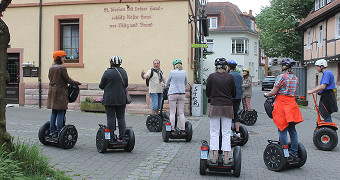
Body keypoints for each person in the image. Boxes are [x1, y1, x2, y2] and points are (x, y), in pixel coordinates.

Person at [264, 58, 304, 163]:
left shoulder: (281, 77)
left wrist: (267, 94)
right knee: (292, 130)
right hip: (292, 105)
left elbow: (274, 91)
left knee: (282, 129)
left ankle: (284, 151)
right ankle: (294, 152)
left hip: (282, 105)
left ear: (283, 67)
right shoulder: (295, 78)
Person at [206, 58, 236, 165]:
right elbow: (234, 93)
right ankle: (226, 157)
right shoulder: (230, 77)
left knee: (214, 132)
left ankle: (214, 156)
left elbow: (208, 92)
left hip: (215, 106)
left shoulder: (211, 77)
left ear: (216, 67)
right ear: (225, 67)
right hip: (227, 107)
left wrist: (212, 96)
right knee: (226, 133)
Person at [47, 50, 81, 138]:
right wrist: (76, 83)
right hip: (60, 93)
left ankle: (52, 131)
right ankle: (59, 132)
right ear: (59, 58)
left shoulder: (51, 68)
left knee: (54, 112)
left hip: (52, 92)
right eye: (63, 57)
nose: (64, 59)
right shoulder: (61, 68)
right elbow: (67, 79)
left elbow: (50, 78)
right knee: (61, 112)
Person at [99, 56, 128, 141]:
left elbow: (101, 86)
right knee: (121, 117)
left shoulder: (108, 72)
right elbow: (126, 84)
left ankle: (111, 137)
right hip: (121, 98)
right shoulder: (123, 72)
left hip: (109, 99)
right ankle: (122, 137)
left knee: (111, 117)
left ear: (111, 62)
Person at [164, 59, 188, 134]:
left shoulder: (172, 72)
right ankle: (183, 129)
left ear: (174, 65)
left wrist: (166, 87)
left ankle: (172, 129)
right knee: (181, 113)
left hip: (173, 93)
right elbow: (186, 82)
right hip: (181, 94)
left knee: (172, 112)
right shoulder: (184, 72)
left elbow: (167, 82)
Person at [227, 59, 242, 138]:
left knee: (229, 114)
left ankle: (229, 131)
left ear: (229, 67)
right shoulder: (239, 75)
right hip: (238, 97)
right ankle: (237, 131)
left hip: (231, 97)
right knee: (235, 114)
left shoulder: (229, 75)